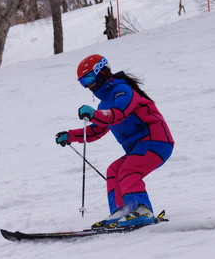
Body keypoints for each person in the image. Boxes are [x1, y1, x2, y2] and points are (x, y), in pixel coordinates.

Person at [55, 54, 174, 229]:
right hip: (139, 148)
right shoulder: (104, 105)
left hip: (157, 142)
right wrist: (70, 135)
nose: (87, 86)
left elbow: (119, 113)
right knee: (114, 170)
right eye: (82, 83)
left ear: (101, 72)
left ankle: (142, 210)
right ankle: (123, 210)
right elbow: (97, 129)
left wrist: (95, 114)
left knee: (129, 169)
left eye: (88, 79)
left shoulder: (123, 90)